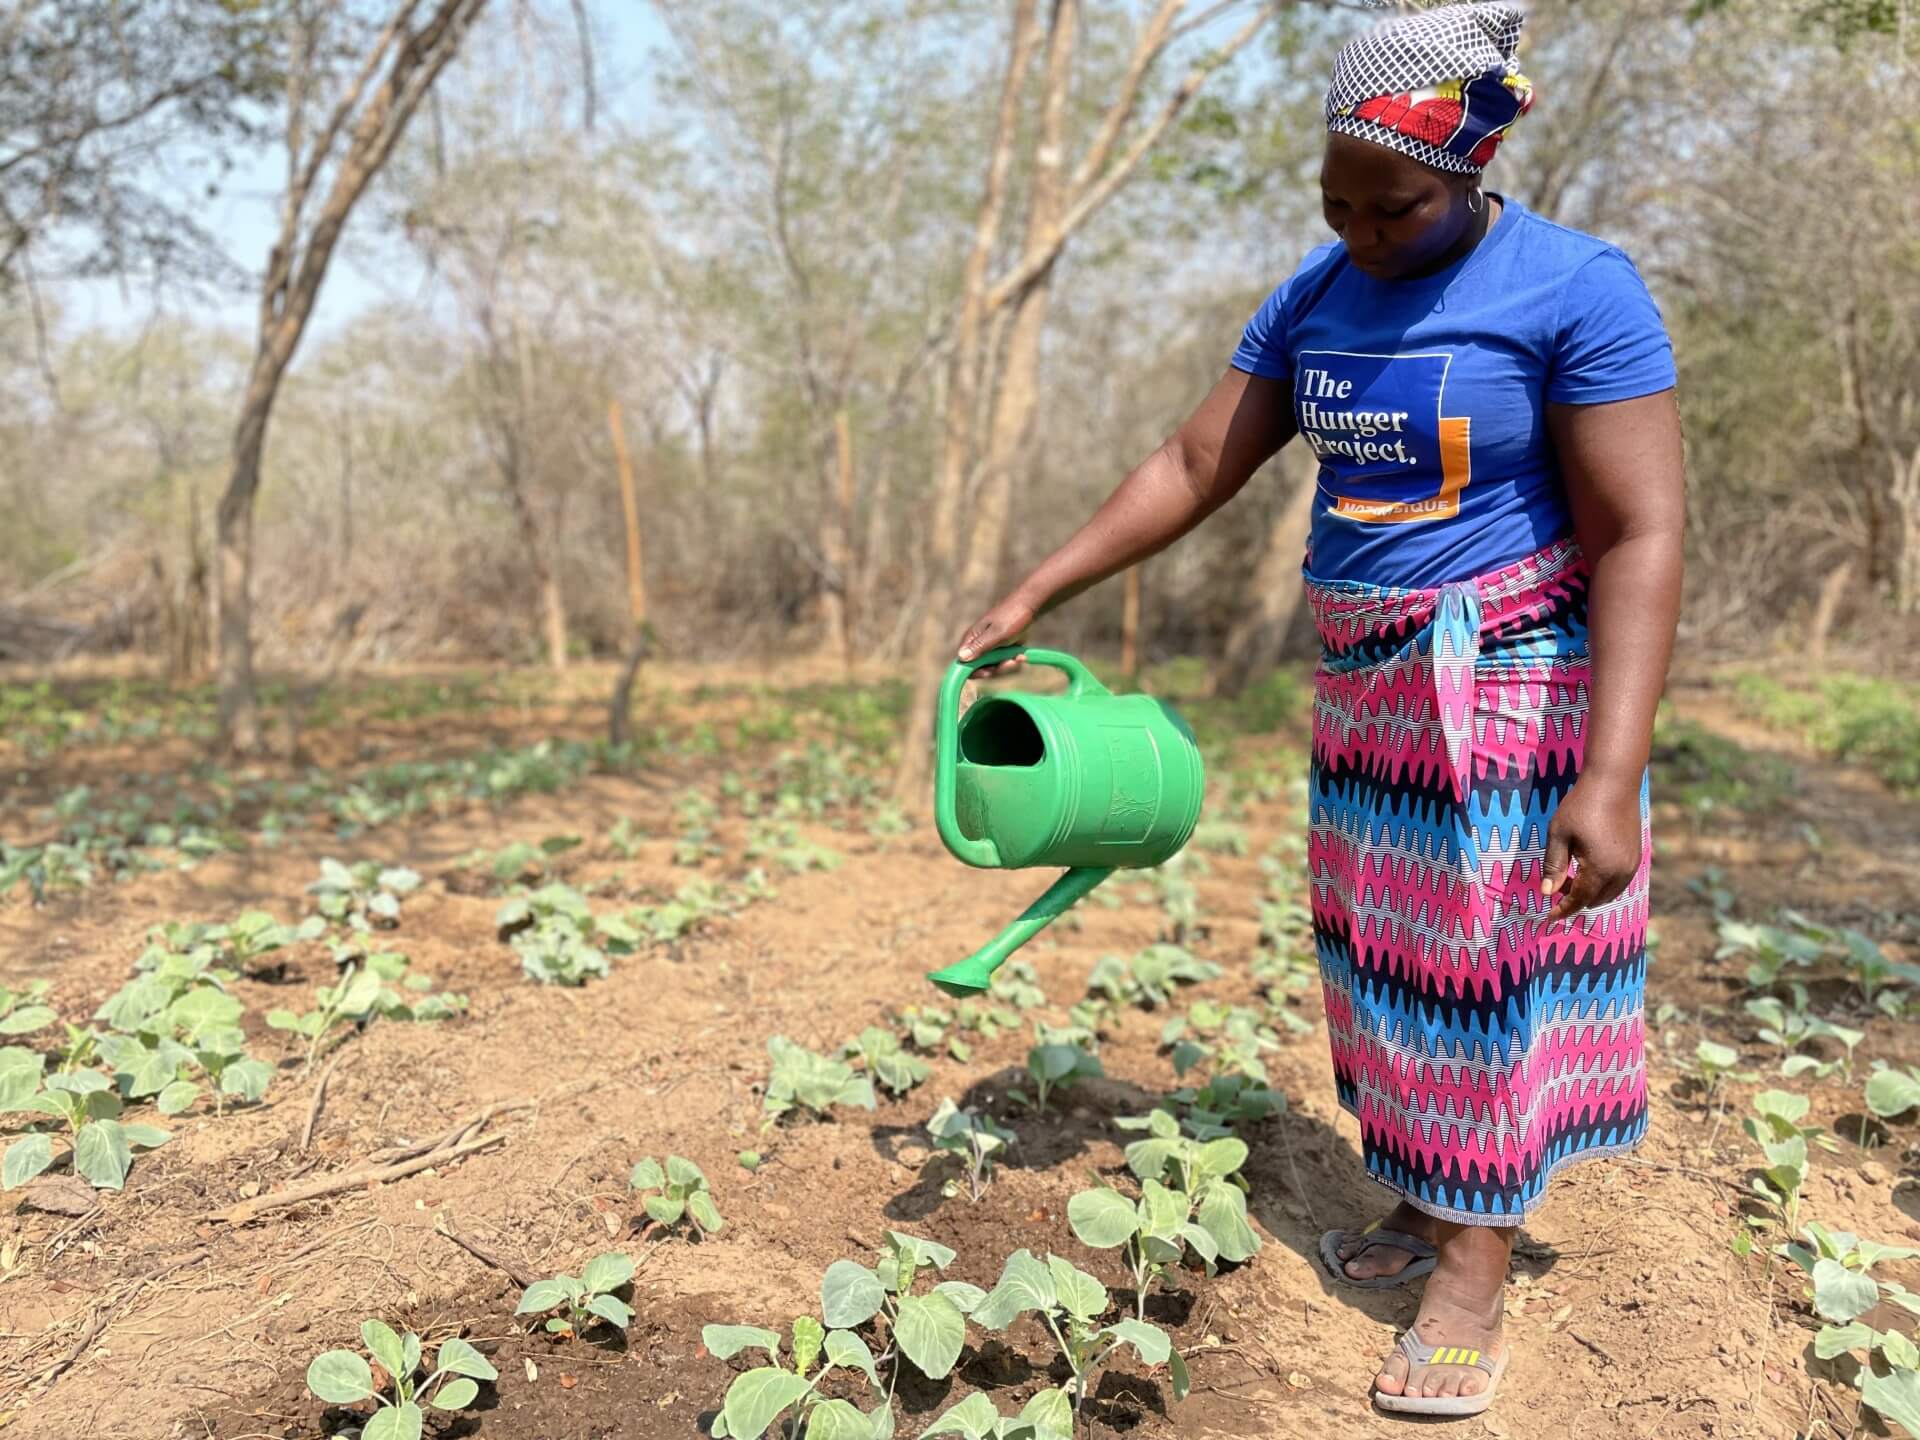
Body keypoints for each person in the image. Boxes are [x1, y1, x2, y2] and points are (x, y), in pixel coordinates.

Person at [953, 1, 1682, 1419]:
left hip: (1510, 682)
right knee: (1383, 958)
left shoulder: (1578, 289)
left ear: (1470, 165)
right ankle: (1423, 1197)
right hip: (1366, 682)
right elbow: (1192, 458)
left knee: (1481, 966)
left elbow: (1643, 532)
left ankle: (1473, 1267)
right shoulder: (1318, 294)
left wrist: (1612, 771)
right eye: (1337, 201)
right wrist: (1041, 588)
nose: (1361, 229)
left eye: (1394, 203)